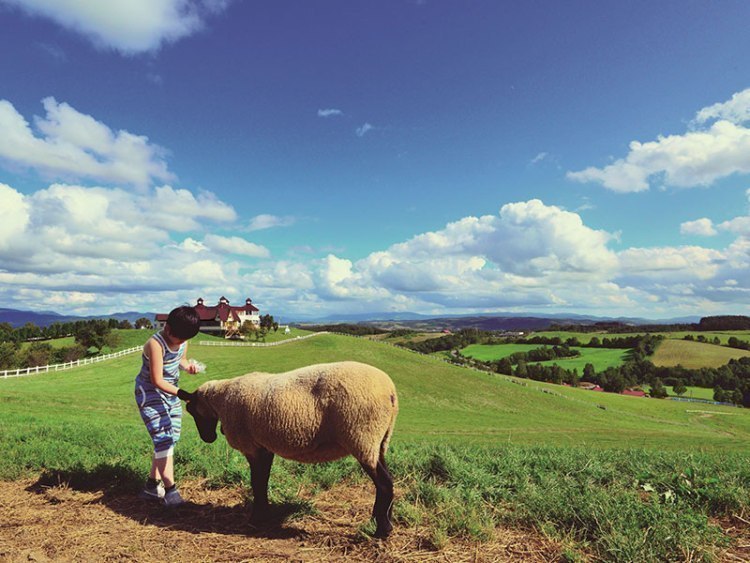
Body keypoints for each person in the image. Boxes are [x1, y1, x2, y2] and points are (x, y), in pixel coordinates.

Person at [134, 305, 201, 506]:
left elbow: (180, 359)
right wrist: (183, 394)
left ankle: (151, 486)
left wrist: (188, 366)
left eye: (184, 340)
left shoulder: (182, 341)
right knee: (163, 438)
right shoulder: (155, 344)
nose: (181, 343)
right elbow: (156, 380)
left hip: (171, 394)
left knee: (170, 439)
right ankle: (170, 491)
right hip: (151, 394)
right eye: (178, 339)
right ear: (168, 329)